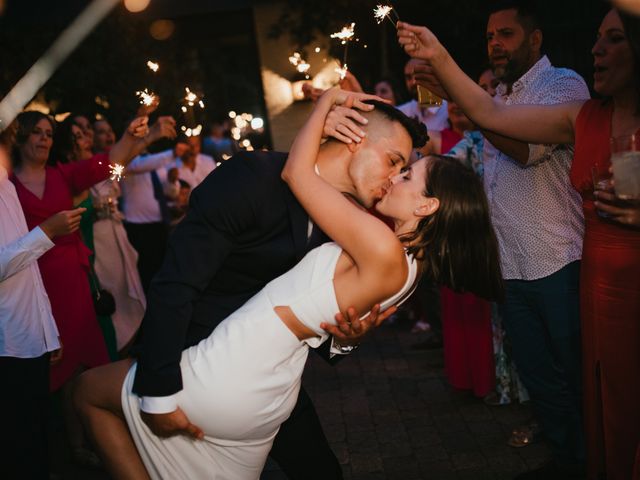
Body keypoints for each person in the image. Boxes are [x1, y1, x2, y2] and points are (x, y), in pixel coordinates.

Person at [74, 88, 503, 479]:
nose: (394, 177)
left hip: (271, 379)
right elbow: (174, 285)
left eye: (405, 172)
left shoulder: (355, 223)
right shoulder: (252, 178)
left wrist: (346, 338)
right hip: (206, 356)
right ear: (354, 137)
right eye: (395, 162)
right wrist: (160, 390)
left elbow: (314, 302)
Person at [398, 6, 640, 480]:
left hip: (561, 263)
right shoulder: (501, 96)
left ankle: (598, 461)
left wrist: (460, 94)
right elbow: (483, 130)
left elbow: (525, 151)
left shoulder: (564, 86)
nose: (495, 44)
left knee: (581, 382)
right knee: (542, 382)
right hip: (511, 266)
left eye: (506, 34)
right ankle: (570, 460)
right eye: (490, 35)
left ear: (535, 39)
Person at [0, 144, 79, 479]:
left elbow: (29, 270)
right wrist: (47, 231)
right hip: (7, 341)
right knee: (18, 444)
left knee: (38, 434)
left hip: (31, 334)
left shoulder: (6, 186)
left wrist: (47, 327)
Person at [397, 58, 449, 131]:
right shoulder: (402, 113)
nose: (413, 82)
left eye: (418, 76)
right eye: (408, 77)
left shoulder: (448, 110)